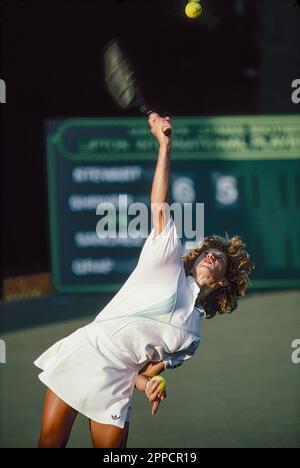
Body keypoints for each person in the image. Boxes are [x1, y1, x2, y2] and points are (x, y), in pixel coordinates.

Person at [34, 114, 255, 448]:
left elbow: (146, 374)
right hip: (87, 350)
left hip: (118, 380)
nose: (210, 256)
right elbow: (159, 204)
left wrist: (149, 386)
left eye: (219, 258)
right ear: (193, 258)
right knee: (50, 443)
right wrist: (165, 146)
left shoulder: (191, 338)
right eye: (206, 252)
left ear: (224, 282)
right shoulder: (165, 262)